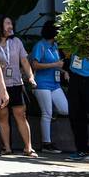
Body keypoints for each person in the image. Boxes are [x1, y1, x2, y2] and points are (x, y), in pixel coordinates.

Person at [0, 14, 37, 157]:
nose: (10, 27)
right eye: (7, 23)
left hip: (17, 84)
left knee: (21, 115)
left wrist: (30, 77)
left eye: (11, 23)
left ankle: (28, 148)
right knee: (2, 117)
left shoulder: (17, 42)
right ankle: (7, 147)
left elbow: (24, 61)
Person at [31, 20, 70, 154]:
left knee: (65, 109)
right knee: (46, 114)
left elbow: (57, 65)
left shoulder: (55, 45)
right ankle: (46, 144)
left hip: (54, 83)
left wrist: (64, 72)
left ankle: (51, 109)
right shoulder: (40, 45)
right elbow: (34, 65)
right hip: (42, 84)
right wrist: (55, 65)